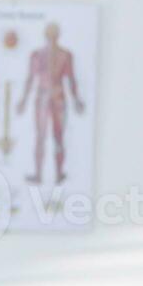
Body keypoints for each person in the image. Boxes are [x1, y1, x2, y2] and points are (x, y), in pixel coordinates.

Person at [16, 22, 86, 185]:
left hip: (56, 97)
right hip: (46, 97)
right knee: (43, 137)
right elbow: (30, 79)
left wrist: (76, 99)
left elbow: (71, 79)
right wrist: (23, 100)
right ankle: (42, 174)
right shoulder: (39, 55)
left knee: (57, 137)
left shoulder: (64, 55)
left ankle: (57, 174)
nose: (52, 38)